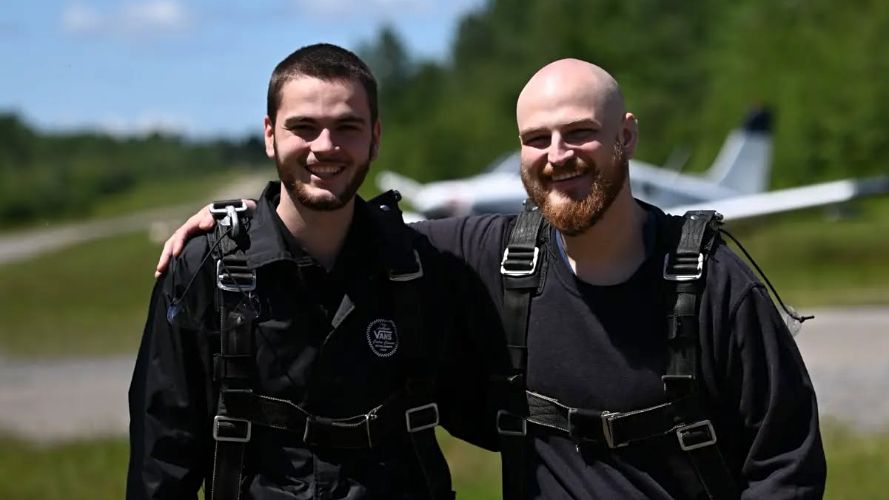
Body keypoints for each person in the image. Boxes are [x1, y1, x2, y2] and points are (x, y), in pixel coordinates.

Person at [156, 58, 826, 499]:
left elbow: (787, 467)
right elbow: (341, 223)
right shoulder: (491, 252)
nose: (557, 157)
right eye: (536, 140)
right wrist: (246, 218)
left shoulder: (713, 283)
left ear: (625, 136)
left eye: (579, 134)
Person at [127, 43, 502, 500]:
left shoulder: (419, 266)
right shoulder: (207, 268)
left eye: (347, 126)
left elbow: (499, 414)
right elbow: (163, 457)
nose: (325, 146)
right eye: (303, 127)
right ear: (269, 135)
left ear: (376, 137)